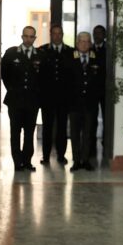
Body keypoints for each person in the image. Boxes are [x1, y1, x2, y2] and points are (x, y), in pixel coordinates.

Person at [1, 26, 43, 171]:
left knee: (29, 132)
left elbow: (43, 79)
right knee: (15, 132)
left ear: (35, 38)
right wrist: (12, 89)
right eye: (26, 36)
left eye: (31, 37)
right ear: (21, 36)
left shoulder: (39, 55)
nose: (28, 39)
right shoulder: (11, 53)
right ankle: (17, 162)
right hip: (15, 100)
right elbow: (4, 74)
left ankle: (27, 161)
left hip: (32, 101)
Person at [37, 23, 72, 165]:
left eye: (59, 33)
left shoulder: (70, 51)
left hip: (64, 97)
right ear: (50, 35)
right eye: (54, 33)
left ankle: (61, 155)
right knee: (47, 127)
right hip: (47, 98)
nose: (57, 36)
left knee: (62, 128)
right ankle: (45, 156)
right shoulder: (42, 50)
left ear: (62, 35)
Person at [67, 31, 102, 171]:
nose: (85, 44)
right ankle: (76, 161)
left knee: (88, 133)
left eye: (87, 41)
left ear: (91, 43)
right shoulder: (70, 58)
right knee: (75, 134)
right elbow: (65, 81)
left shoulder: (96, 58)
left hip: (90, 103)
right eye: (82, 41)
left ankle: (86, 160)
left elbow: (100, 80)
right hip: (74, 103)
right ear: (77, 43)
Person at [91, 24, 109, 160]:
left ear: (104, 35)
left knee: (107, 117)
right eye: (95, 33)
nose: (97, 36)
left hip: (105, 89)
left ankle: (106, 142)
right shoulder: (89, 49)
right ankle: (91, 145)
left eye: (99, 33)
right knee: (92, 118)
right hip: (92, 89)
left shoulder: (109, 49)